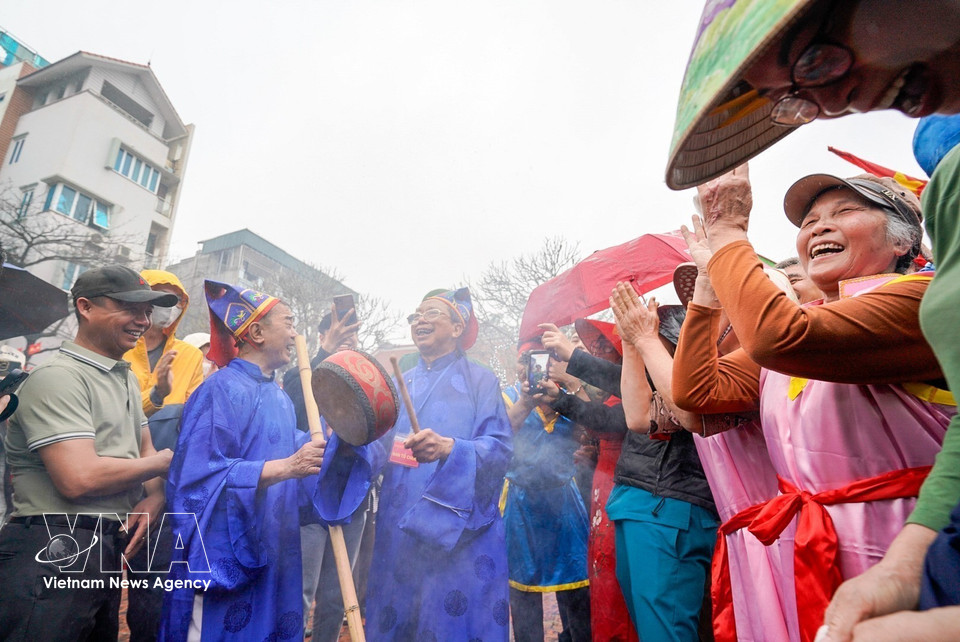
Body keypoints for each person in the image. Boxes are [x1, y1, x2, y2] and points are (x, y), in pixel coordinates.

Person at [667, 7, 960, 636]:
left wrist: (726, 235)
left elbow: (782, 337)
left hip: (905, 546)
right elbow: (697, 399)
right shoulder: (810, 320)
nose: (816, 228)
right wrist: (708, 294)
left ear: (908, 235)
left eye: (843, 210)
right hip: (810, 557)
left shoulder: (917, 298)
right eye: (806, 222)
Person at [159, 281, 373, 641]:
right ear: (255, 331)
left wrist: (340, 440)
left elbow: (298, 463)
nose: (295, 334)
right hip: (226, 553)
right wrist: (285, 467)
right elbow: (194, 480)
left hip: (274, 546)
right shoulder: (219, 389)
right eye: (288, 323)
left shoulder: (280, 398)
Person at [0, 265, 176, 641]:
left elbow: (145, 447)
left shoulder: (124, 377)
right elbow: (78, 478)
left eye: (148, 311)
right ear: (86, 307)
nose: (144, 320)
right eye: (131, 308)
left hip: (105, 546)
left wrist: (155, 496)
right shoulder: (58, 377)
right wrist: (163, 464)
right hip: (52, 546)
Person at [364, 287, 513, 641]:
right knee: (397, 619)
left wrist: (450, 448)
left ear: (457, 327)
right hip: (398, 526)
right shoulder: (399, 383)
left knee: (451, 624)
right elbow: (375, 450)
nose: (420, 320)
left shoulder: (481, 381)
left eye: (431, 313)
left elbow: (501, 449)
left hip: (460, 531)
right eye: (416, 314)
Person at [541, 320, 638, 642]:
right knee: (602, 568)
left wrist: (571, 373)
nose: (597, 352)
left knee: (619, 570)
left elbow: (608, 421)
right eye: (592, 348)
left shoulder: (635, 384)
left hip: (624, 482)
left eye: (602, 347)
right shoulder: (618, 387)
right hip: (601, 480)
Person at [123, 270, 205, 642]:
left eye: (174, 302)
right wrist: (156, 394)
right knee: (90, 587)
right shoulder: (118, 348)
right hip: (108, 484)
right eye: (159, 297)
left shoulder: (188, 356)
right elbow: (119, 417)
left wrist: (161, 493)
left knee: (150, 597)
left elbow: (194, 427)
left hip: (163, 493)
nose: (165, 309)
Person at [281, 306, 367, 642]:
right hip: (309, 503)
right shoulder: (298, 374)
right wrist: (326, 353)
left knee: (336, 597)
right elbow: (295, 406)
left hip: (351, 500)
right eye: (339, 336)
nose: (348, 343)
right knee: (302, 590)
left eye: (353, 338)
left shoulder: (362, 382)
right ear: (320, 338)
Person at [502, 340, 590, 642]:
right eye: (525, 360)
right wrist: (526, 401)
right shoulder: (507, 396)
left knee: (577, 584)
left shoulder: (567, 395)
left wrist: (571, 383)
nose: (532, 367)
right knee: (523, 591)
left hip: (564, 500)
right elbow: (501, 436)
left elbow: (589, 431)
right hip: (522, 503)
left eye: (539, 360)